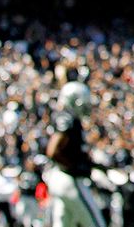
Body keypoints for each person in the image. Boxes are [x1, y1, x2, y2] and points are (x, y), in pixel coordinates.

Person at [44, 82, 105, 227]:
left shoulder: (66, 117)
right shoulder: (67, 119)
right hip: (68, 179)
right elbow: (53, 151)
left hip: (60, 177)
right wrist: (74, 166)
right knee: (95, 223)